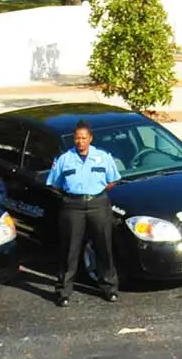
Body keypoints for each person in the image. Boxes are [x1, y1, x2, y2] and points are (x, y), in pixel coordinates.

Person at [45, 121, 123, 307]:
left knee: (103, 246)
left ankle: (109, 288)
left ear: (90, 139)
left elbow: (113, 180)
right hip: (73, 206)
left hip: (98, 203)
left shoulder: (103, 157)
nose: (80, 142)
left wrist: (95, 192)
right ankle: (63, 292)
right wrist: (72, 196)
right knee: (70, 249)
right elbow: (54, 183)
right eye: (77, 138)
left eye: (83, 138)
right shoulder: (65, 159)